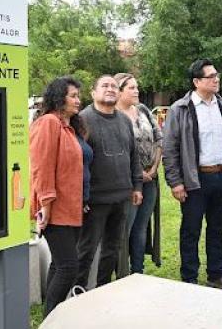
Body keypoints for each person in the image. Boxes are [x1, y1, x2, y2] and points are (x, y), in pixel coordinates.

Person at [162, 59, 222, 290]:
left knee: (217, 227)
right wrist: (175, 182)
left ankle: (217, 275)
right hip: (194, 179)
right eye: (210, 76)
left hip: (221, 176)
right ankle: (189, 279)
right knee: (191, 229)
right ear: (197, 82)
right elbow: (170, 148)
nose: (216, 79)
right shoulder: (180, 109)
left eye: (217, 75)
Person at [75, 75, 143, 289]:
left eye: (114, 86)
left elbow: (134, 155)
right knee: (86, 251)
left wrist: (137, 185)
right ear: (93, 93)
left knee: (112, 250)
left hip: (122, 196)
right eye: (105, 85)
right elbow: (76, 161)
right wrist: (80, 196)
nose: (110, 89)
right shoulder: (82, 120)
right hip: (94, 200)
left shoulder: (124, 120)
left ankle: (103, 290)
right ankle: (79, 293)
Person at [29, 76, 87, 315]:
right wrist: (46, 204)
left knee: (60, 264)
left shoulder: (68, 127)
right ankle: (52, 316)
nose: (78, 100)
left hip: (71, 208)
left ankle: (50, 315)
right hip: (55, 209)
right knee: (68, 267)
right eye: (73, 96)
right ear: (58, 98)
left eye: (78, 96)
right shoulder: (48, 123)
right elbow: (41, 167)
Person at [114, 73, 163, 274]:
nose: (136, 91)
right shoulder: (114, 115)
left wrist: (153, 168)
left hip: (151, 179)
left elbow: (159, 138)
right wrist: (137, 173)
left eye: (137, 87)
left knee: (141, 227)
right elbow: (118, 151)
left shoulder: (142, 109)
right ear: (119, 91)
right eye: (131, 88)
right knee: (126, 228)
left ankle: (138, 271)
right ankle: (122, 273)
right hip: (129, 183)